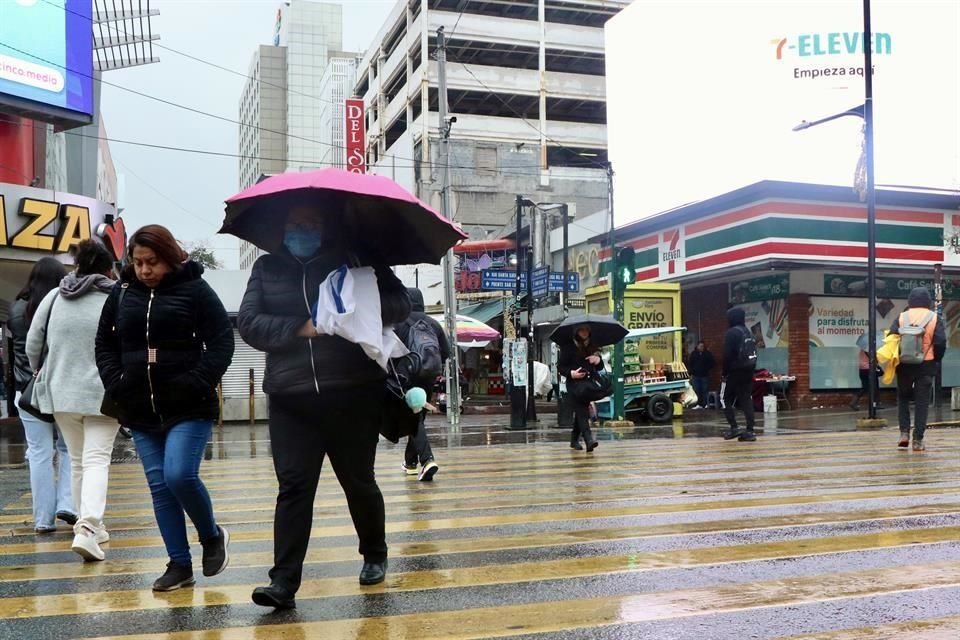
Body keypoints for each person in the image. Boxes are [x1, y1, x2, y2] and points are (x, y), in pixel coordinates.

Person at [238, 203, 410, 610]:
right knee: (294, 487)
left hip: (352, 393)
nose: (302, 229)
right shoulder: (266, 269)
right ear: (282, 227)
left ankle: (374, 553)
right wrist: (302, 327)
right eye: (295, 223)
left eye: (311, 222)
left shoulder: (356, 259)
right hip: (290, 398)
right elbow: (249, 323)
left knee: (358, 481)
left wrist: (357, 307)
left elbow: (403, 304)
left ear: (326, 225)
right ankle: (283, 582)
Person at [95, 225, 234, 591]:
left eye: (152, 262)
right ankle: (179, 564)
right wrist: (117, 381)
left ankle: (212, 536)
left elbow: (221, 342)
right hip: (138, 406)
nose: (144, 271)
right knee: (159, 485)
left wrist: (195, 381)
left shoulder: (195, 289)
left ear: (170, 257)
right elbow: (104, 344)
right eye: (138, 262)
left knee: (179, 475)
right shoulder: (123, 292)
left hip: (188, 405)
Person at [26, 241, 119, 561]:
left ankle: (90, 524)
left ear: (77, 268)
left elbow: (33, 342)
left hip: (61, 392)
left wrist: (43, 370)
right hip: (103, 393)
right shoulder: (115, 296)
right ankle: (89, 528)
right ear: (108, 269)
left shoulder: (55, 296)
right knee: (96, 459)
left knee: (79, 461)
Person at [6, 258, 76, 533]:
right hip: (60, 388)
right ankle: (67, 504)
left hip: (27, 392)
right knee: (68, 448)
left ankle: (43, 520)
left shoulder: (16, 309)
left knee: (39, 454)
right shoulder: (63, 307)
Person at [395, 287, 449, 482]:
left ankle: (427, 460)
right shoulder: (433, 324)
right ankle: (410, 463)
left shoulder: (400, 323)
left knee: (415, 418)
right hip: (428, 376)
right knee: (417, 417)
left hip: (407, 376)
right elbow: (446, 352)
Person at [889, 287, 945, 451]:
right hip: (926, 364)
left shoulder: (901, 317)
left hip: (904, 364)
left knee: (903, 398)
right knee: (922, 402)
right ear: (927, 301)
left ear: (910, 301)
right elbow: (940, 342)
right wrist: (936, 360)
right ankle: (918, 440)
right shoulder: (934, 318)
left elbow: (891, 338)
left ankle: (904, 433)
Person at [558, 325, 601, 452]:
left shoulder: (592, 346)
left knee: (580, 412)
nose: (585, 332)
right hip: (574, 385)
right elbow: (561, 367)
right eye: (582, 330)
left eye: (587, 330)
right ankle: (589, 440)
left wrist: (597, 360)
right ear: (577, 331)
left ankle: (574, 440)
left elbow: (599, 367)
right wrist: (572, 373)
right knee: (583, 412)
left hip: (588, 385)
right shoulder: (568, 347)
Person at [721, 307, 757, 442]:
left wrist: (724, 373)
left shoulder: (732, 333)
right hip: (749, 369)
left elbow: (727, 355)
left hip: (735, 370)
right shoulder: (747, 332)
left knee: (725, 398)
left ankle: (734, 427)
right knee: (746, 399)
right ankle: (750, 430)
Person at [849, 343, 880, 411]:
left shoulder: (862, 350)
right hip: (868, 370)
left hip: (862, 370)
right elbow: (872, 358)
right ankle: (874, 404)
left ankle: (854, 402)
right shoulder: (869, 350)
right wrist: (876, 361)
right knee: (873, 387)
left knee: (865, 387)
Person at [688, 340, 715, 409]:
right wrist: (691, 373)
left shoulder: (707, 354)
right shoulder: (694, 354)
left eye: (702, 346)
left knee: (705, 390)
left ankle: (705, 404)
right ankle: (698, 404)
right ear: (697, 346)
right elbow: (690, 364)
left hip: (704, 375)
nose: (701, 347)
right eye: (700, 346)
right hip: (695, 375)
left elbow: (712, 362)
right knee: (697, 390)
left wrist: (707, 368)